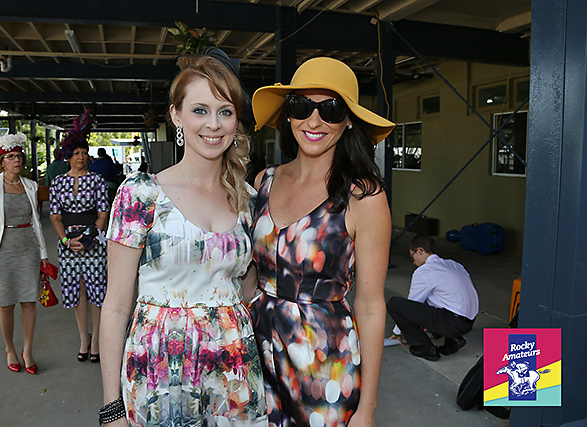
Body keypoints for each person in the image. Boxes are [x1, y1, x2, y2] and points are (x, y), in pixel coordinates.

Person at [99, 56, 267, 426]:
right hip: (160, 372)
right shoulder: (141, 194)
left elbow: (248, 289)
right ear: (176, 115)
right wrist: (111, 408)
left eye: (225, 112)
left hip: (234, 370)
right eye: (200, 110)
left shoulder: (249, 201)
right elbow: (115, 306)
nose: (213, 124)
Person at [250, 57, 396, 426]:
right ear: (289, 114)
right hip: (258, 353)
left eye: (330, 110)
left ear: (348, 120)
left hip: (325, 370)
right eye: (301, 106)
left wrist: (367, 409)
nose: (313, 121)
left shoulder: (364, 197)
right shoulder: (264, 181)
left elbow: (371, 307)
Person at [0, 132, 48, 374]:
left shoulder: (30, 185)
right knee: (5, 303)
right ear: (1, 161)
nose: (16, 160)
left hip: (27, 248)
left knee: (29, 301)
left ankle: (27, 351)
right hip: (1, 249)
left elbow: (36, 222)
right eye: (10, 156)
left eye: (19, 156)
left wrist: (43, 254)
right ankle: (10, 349)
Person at [49, 108, 109, 364]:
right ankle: (84, 338)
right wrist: (66, 240)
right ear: (68, 156)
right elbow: (55, 216)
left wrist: (89, 237)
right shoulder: (58, 183)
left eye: (84, 152)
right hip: (67, 244)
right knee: (77, 291)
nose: (81, 157)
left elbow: (103, 213)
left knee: (97, 291)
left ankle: (96, 340)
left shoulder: (97, 180)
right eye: (76, 153)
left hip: (93, 241)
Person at [386, 234, 479, 361]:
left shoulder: (424, 271)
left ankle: (426, 348)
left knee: (394, 304)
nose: (413, 262)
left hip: (453, 324)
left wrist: (398, 332)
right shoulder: (453, 264)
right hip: (469, 322)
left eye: (412, 256)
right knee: (437, 298)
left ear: (420, 251)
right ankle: (453, 340)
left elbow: (412, 303)